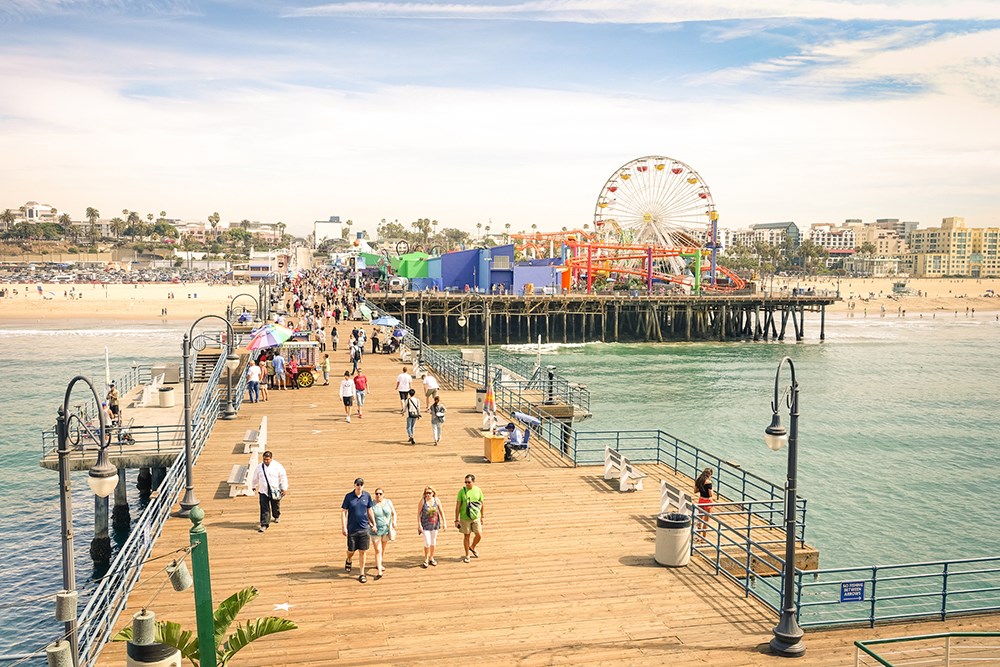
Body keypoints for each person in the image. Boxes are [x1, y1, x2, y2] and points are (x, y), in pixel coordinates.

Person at [342, 477, 377, 583]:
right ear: (354, 485)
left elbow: (369, 510)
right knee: (351, 550)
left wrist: (373, 524)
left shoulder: (367, 496)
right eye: (357, 484)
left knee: (363, 551)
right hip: (352, 529)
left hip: (364, 528)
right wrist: (344, 527)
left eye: (361, 484)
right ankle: (349, 559)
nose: (359, 486)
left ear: (363, 486)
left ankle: (362, 573)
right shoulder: (348, 497)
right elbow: (344, 512)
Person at [251, 451, 288, 533]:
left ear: (271, 458)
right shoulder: (259, 467)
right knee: (264, 508)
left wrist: (284, 488)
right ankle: (264, 524)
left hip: (274, 490)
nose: (266, 461)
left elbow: (283, 477)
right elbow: (255, 477)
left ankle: (276, 515)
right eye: (264, 459)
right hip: (263, 490)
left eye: (267, 459)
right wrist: (253, 486)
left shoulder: (277, 466)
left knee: (275, 504)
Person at [455, 474, 484, 563]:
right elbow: (458, 506)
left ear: (473, 482)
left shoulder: (478, 490)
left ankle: (472, 547)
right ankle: (467, 554)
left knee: (479, 535)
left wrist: (482, 516)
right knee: (466, 536)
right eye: (465, 482)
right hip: (465, 517)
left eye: (469, 482)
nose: (467, 484)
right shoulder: (461, 491)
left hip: (476, 516)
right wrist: (456, 519)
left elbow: (482, 504)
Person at [417, 486, 446, 568]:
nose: (428, 495)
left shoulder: (437, 500)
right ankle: (426, 558)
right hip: (425, 525)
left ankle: (431, 557)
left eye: (430, 493)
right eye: (426, 493)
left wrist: (444, 522)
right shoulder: (423, 501)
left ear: (433, 493)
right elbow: (418, 514)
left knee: (433, 542)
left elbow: (441, 511)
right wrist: (419, 524)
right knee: (427, 542)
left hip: (435, 524)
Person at [371, 487, 397, 579]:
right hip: (376, 530)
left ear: (383, 495)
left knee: (383, 548)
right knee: (378, 550)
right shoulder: (372, 504)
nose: (378, 495)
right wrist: (372, 525)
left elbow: (394, 513)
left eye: (380, 494)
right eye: (377, 494)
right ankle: (379, 571)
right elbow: (368, 517)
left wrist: (394, 521)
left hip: (386, 529)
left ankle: (379, 563)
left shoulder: (388, 502)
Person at [695, 468, 714, 540]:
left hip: (701, 500)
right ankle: (703, 538)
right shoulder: (709, 483)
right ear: (709, 475)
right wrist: (712, 490)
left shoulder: (699, 481)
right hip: (708, 502)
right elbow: (710, 494)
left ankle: (698, 535)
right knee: (706, 521)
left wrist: (701, 489)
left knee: (700, 519)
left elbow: (695, 490)